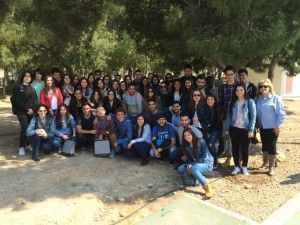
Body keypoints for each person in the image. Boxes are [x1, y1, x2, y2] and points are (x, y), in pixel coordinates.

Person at [255, 78, 286, 176]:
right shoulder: (257, 99)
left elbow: (281, 114)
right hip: (262, 127)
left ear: (269, 87)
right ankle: (265, 162)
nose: (263, 88)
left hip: (273, 128)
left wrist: (277, 126)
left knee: (272, 147)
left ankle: (271, 167)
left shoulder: (276, 98)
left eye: (265, 86)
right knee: (264, 146)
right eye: (261, 87)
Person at [225, 84, 256, 175]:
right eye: (237, 90)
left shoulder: (250, 102)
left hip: (245, 129)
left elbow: (253, 116)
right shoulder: (233, 102)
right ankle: (237, 166)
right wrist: (227, 129)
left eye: (241, 90)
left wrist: (251, 130)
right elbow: (229, 116)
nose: (239, 92)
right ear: (235, 92)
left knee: (244, 149)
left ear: (244, 91)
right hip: (234, 128)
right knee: (235, 148)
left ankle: (245, 167)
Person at [177, 127, 214, 199]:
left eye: (189, 135)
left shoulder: (201, 141)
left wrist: (192, 165)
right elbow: (190, 159)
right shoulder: (186, 146)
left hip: (207, 163)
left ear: (192, 134)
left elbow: (204, 157)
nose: (187, 137)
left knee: (194, 169)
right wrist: (189, 164)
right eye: (185, 136)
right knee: (180, 169)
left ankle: (208, 189)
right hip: (196, 163)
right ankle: (196, 179)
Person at [11, 71, 38, 156]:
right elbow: (17, 101)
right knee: (25, 127)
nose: (27, 77)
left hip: (31, 112)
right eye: (26, 76)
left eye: (29, 76)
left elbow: (35, 100)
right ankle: (21, 147)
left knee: (30, 128)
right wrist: (27, 110)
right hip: (21, 112)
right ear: (22, 77)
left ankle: (28, 144)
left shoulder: (32, 88)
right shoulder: (18, 87)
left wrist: (33, 110)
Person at [218, 65, 238, 166]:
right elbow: (220, 102)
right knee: (226, 137)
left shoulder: (239, 86)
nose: (229, 76)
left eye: (231, 74)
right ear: (225, 75)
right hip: (226, 116)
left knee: (237, 137)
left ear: (234, 74)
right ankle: (228, 159)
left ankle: (238, 159)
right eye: (227, 75)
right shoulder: (222, 87)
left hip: (238, 116)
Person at [238, 68, 259, 144]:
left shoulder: (253, 87)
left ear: (247, 75)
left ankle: (253, 134)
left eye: (243, 75)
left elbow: (255, 100)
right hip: (240, 114)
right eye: (239, 76)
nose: (241, 77)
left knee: (250, 130)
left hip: (250, 112)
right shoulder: (237, 87)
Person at [204, 94, 223, 168]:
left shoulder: (218, 108)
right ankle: (212, 159)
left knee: (211, 144)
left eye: (211, 99)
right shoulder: (205, 109)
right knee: (208, 145)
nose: (209, 101)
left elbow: (218, 123)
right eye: (208, 99)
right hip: (209, 130)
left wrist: (210, 129)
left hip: (216, 130)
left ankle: (215, 160)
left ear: (215, 100)